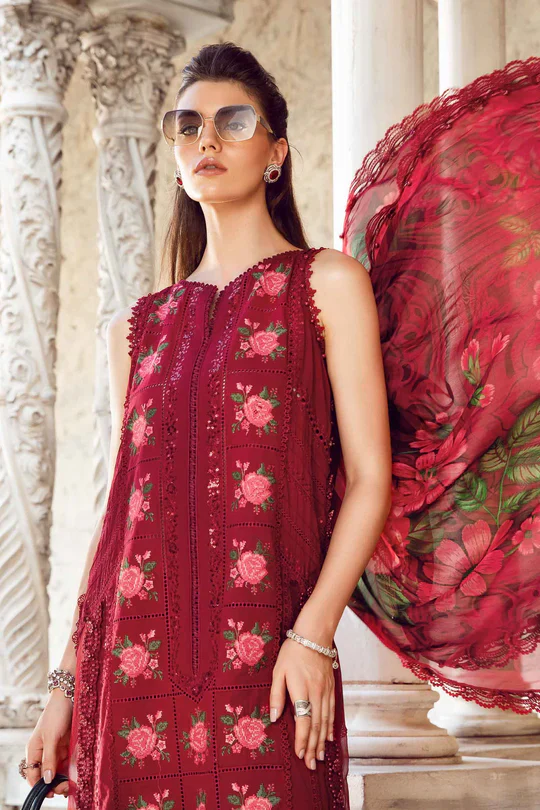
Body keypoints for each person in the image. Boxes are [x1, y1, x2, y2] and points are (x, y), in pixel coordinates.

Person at [22, 42, 392, 809]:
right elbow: (120, 522)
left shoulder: (326, 284)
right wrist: (65, 684)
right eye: (187, 125)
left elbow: (369, 479)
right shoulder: (139, 329)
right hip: (134, 674)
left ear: (276, 152)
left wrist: (314, 633)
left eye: (234, 121)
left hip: (275, 661)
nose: (207, 140)